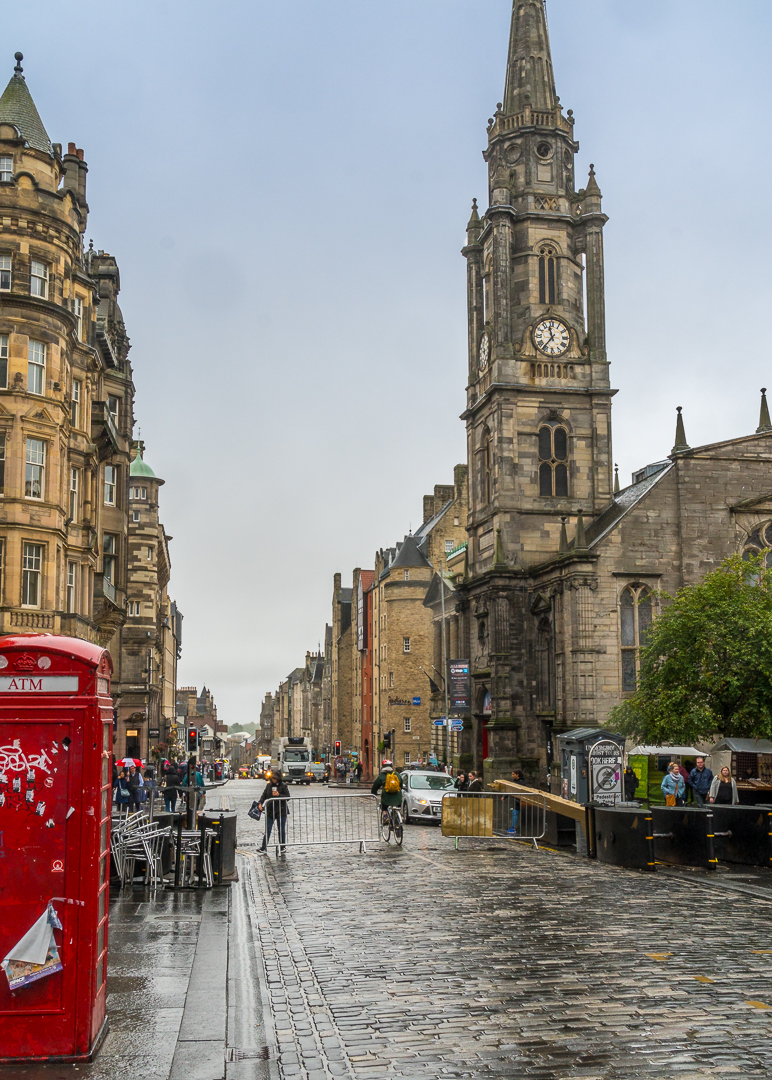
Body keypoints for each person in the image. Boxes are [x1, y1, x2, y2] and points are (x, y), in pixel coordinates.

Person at [258, 771, 290, 853]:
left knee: (281, 829)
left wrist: (279, 795)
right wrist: (260, 803)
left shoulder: (283, 786)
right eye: (272, 778)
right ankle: (264, 847)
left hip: (281, 811)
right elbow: (264, 795)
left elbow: (288, 797)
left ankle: (282, 846)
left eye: (275, 778)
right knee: (268, 829)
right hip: (270, 811)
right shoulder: (269, 785)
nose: (274, 780)